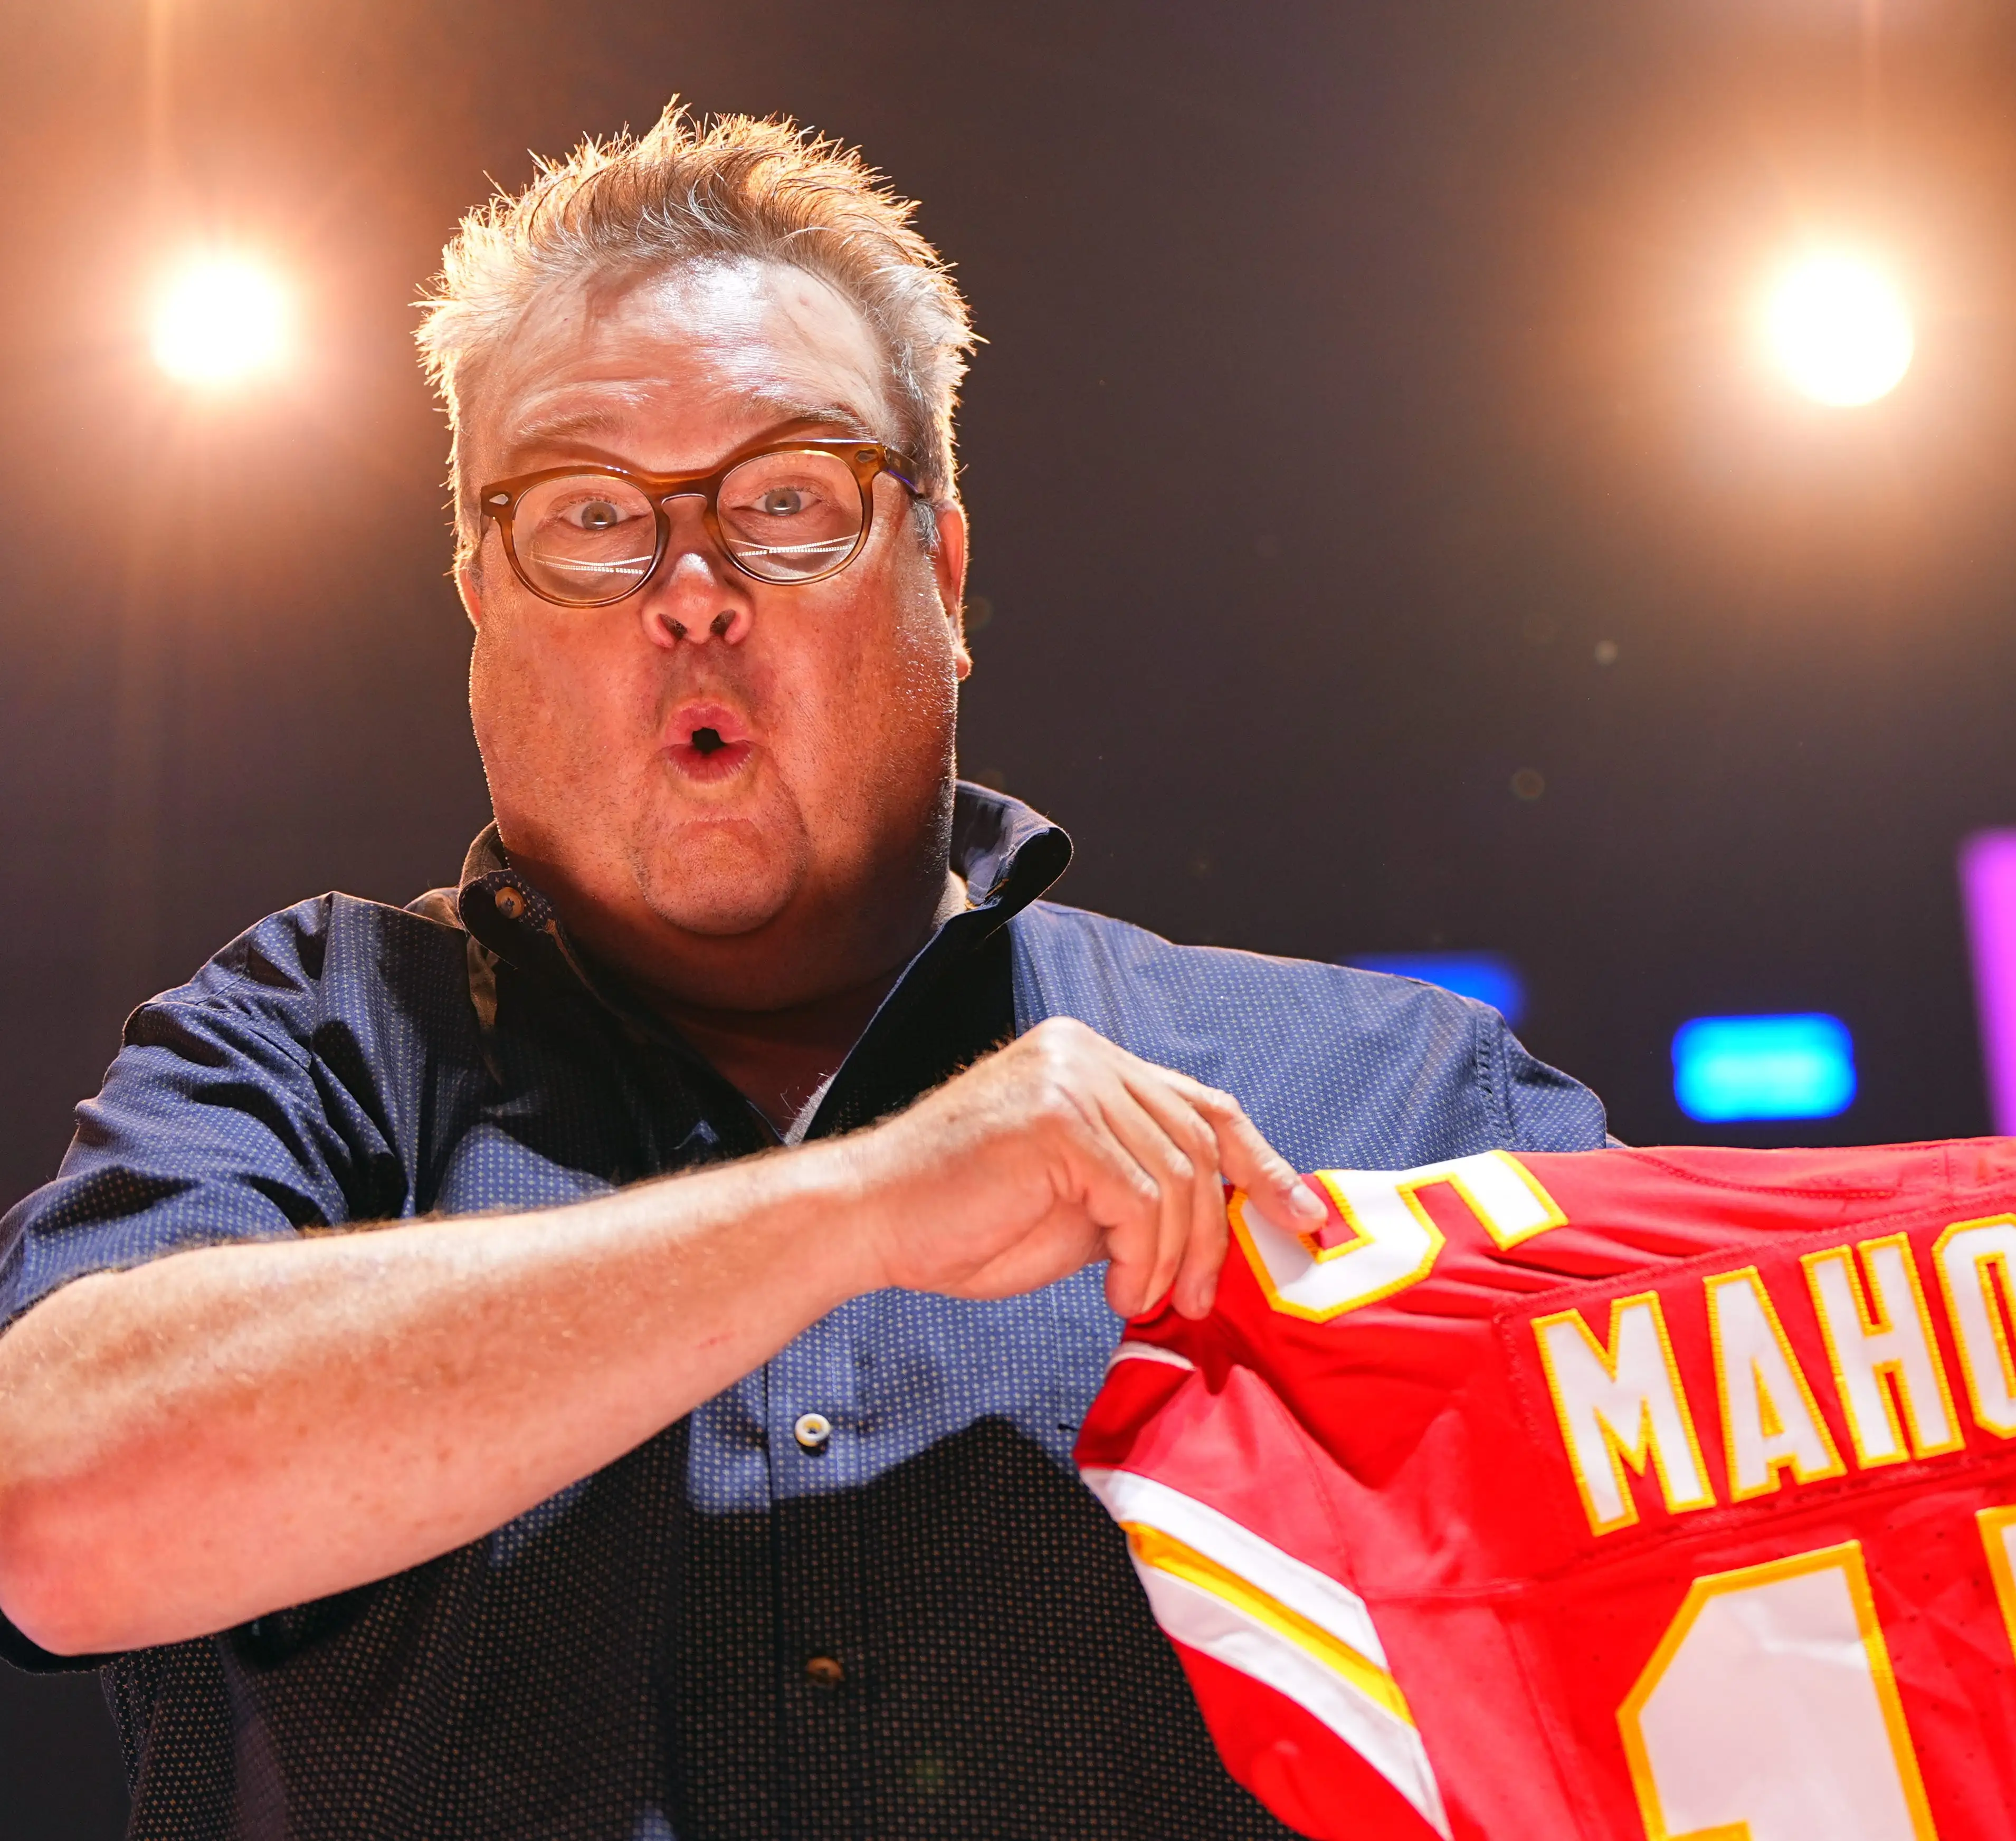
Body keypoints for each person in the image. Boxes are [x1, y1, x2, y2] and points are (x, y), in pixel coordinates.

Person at [0, 107, 1604, 1840]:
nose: (690, 595)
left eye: (788, 499)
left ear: (946, 568)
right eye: (590, 515)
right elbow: (51, 1507)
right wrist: (867, 1206)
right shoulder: (311, 1043)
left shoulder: (1392, 1102)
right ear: (481, 604)